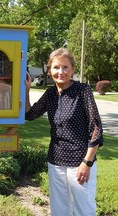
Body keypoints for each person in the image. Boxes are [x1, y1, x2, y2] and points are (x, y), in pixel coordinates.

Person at [25, 48, 103, 216]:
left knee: (85, 210)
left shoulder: (83, 91)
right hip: (56, 162)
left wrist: (87, 162)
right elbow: (30, 115)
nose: (61, 72)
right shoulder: (50, 93)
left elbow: (96, 127)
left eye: (65, 67)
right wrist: (26, 91)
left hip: (80, 162)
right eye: (56, 67)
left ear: (72, 69)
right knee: (59, 210)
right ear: (49, 70)